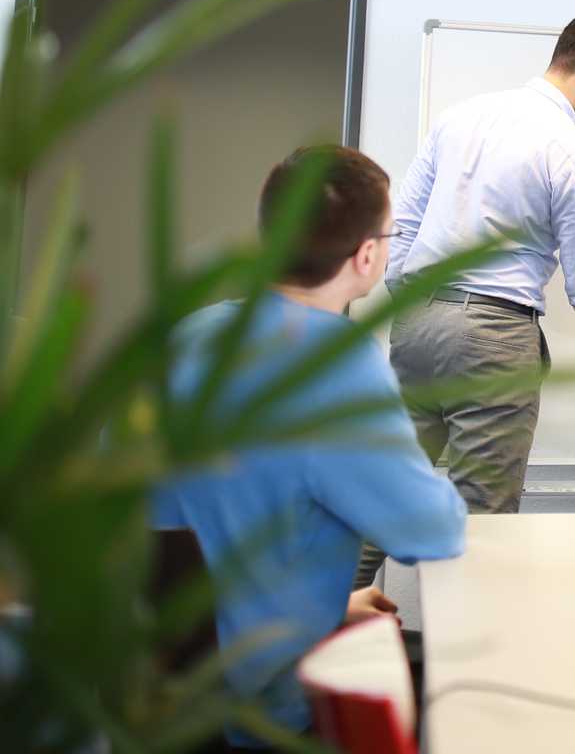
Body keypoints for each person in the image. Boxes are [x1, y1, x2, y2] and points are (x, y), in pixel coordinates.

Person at [151, 147, 466, 747]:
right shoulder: (334, 364)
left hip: (157, 678)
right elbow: (429, 530)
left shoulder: (191, 336)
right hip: (255, 708)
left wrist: (327, 604)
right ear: (367, 255)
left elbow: (192, 516)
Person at [370, 12, 575, 561]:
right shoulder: (572, 154)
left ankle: (323, 631)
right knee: (482, 519)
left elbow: (401, 227)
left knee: (387, 495)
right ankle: (466, 645)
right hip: (493, 338)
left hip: (416, 323)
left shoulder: (459, 117)